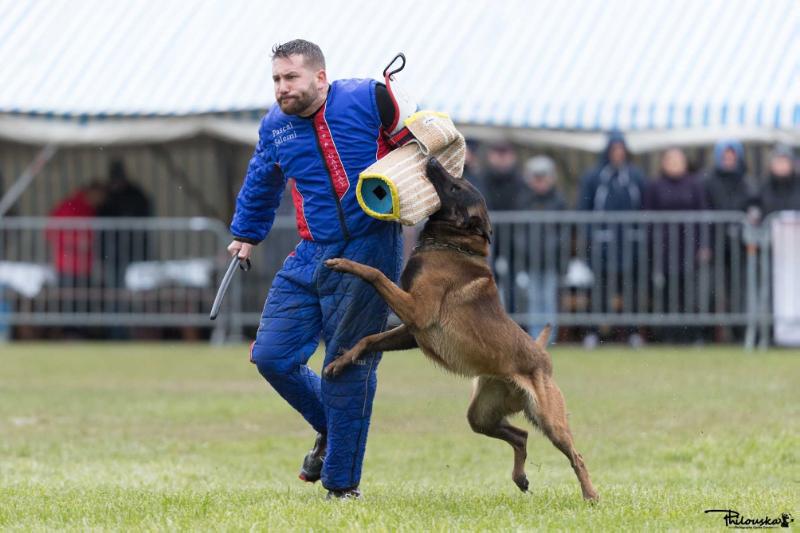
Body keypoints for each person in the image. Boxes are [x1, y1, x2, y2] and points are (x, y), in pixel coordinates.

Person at [227, 40, 403, 499]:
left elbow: (422, 145)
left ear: (320, 77)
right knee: (272, 355)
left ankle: (342, 488)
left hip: (370, 250)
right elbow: (262, 179)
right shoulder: (275, 125)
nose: (282, 88)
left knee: (347, 365)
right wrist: (246, 234)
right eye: (276, 80)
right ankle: (336, 429)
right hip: (311, 252)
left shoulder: (368, 98)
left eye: (291, 78)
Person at [577, 131, 647, 348]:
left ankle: (632, 331)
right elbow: (584, 208)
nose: (618, 154)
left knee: (630, 289)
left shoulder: (634, 176)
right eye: (614, 149)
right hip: (601, 245)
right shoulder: (595, 177)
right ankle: (593, 331)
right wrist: (589, 237)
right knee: (599, 290)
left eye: (621, 149)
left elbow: (644, 207)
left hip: (629, 244)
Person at [644, 148, 709, 343]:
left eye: (678, 160)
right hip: (664, 249)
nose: (675, 164)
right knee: (666, 294)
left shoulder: (695, 185)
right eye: (670, 160)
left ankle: (689, 335)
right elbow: (647, 216)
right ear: (663, 163)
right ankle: (667, 334)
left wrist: (704, 245)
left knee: (688, 293)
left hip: (689, 248)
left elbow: (704, 214)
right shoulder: (655, 186)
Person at [45, 182, 106, 338]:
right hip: (67, 264)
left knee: (81, 299)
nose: (101, 200)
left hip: (83, 264)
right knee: (70, 300)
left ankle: (79, 331)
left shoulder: (87, 208)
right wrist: (76, 242)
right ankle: (70, 332)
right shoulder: (70, 205)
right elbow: (52, 231)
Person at [519, 156, 566, 343]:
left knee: (548, 300)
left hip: (550, 260)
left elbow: (563, 235)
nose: (539, 182)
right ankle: (534, 339)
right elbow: (519, 234)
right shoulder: (524, 201)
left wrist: (561, 259)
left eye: (543, 177)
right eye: (535, 177)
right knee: (533, 301)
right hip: (529, 260)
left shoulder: (558, 201)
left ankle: (549, 339)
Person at [758, 144, 800, 217]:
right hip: (770, 227)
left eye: (785, 161)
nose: (781, 165)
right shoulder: (764, 186)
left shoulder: (797, 184)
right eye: (778, 161)